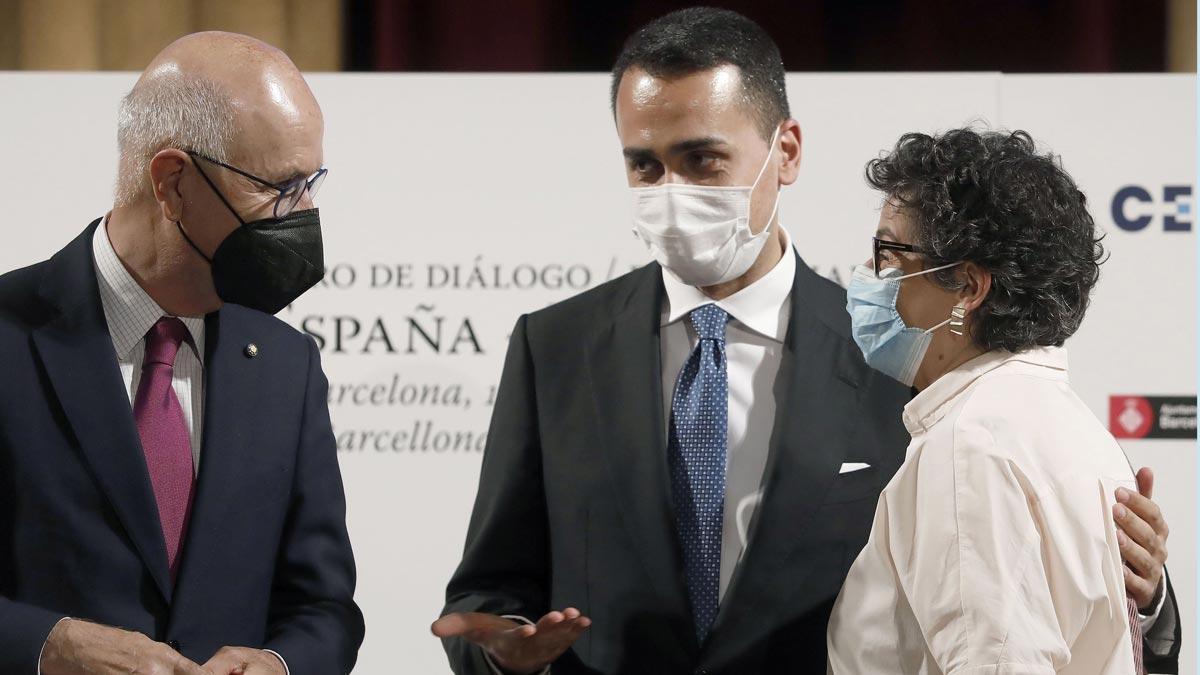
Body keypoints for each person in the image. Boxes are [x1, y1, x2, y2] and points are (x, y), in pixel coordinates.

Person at [432, 8, 1176, 674]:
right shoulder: (554, 346)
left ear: (785, 151)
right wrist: (505, 653)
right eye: (643, 164)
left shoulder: (908, 354)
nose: (669, 192)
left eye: (701, 160)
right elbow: (488, 590)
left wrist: (1147, 599)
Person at [0, 32, 363, 674]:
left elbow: (324, 606)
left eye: (311, 183)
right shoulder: (11, 335)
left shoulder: (287, 364)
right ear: (172, 183)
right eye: (281, 187)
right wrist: (47, 646)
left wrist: (280, 664)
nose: (303, 214)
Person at [827, 128, 1181, 674]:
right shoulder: (1067, 424)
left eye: (890, 254)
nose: (870, 278)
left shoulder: (970, 445)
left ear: (968, 288)